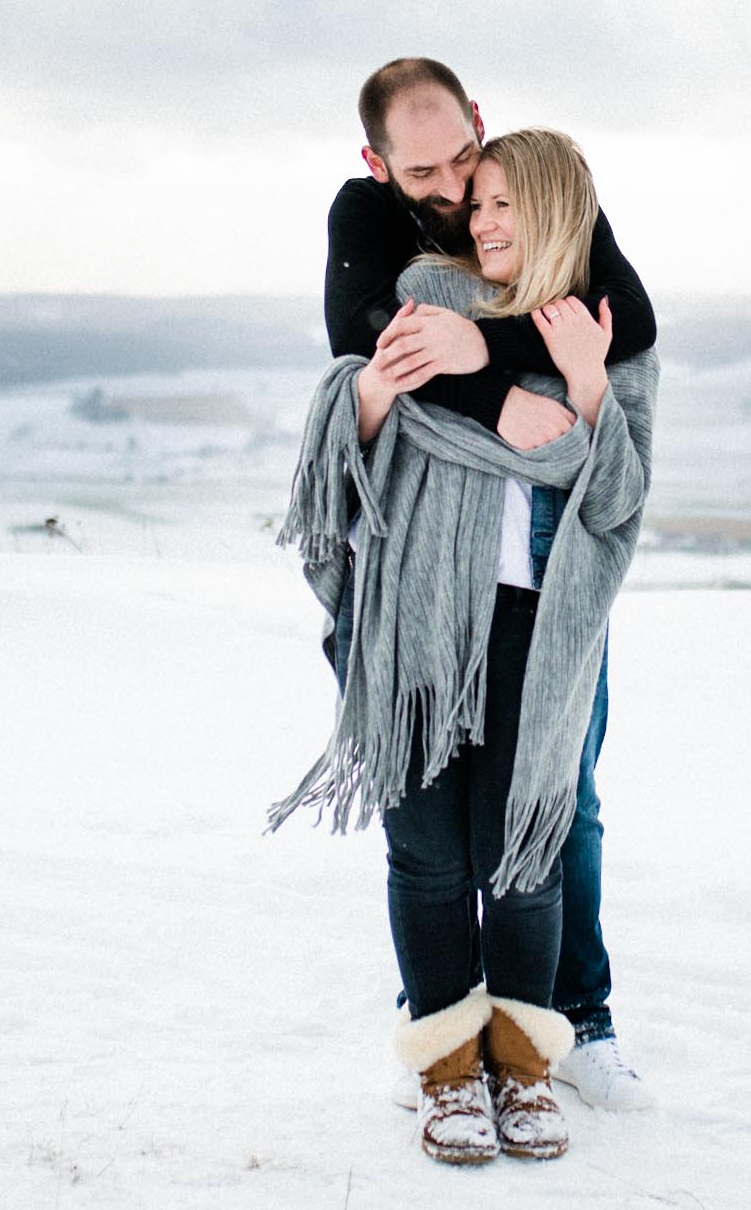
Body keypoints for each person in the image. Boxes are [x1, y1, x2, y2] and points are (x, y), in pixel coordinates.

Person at [272, 128, 659, 1165]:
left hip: (539, 619)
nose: (479, 220)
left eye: (503, 204)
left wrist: (585, 389)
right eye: (473, 202)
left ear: (556, 213)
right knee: (429, 854)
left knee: (526, 844)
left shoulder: (602, 334)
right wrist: (398, 394)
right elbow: (357, 422)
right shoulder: (424, 297)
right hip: (415, 619)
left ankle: (528, 1061)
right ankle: (446, 1068)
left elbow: (617, 498)